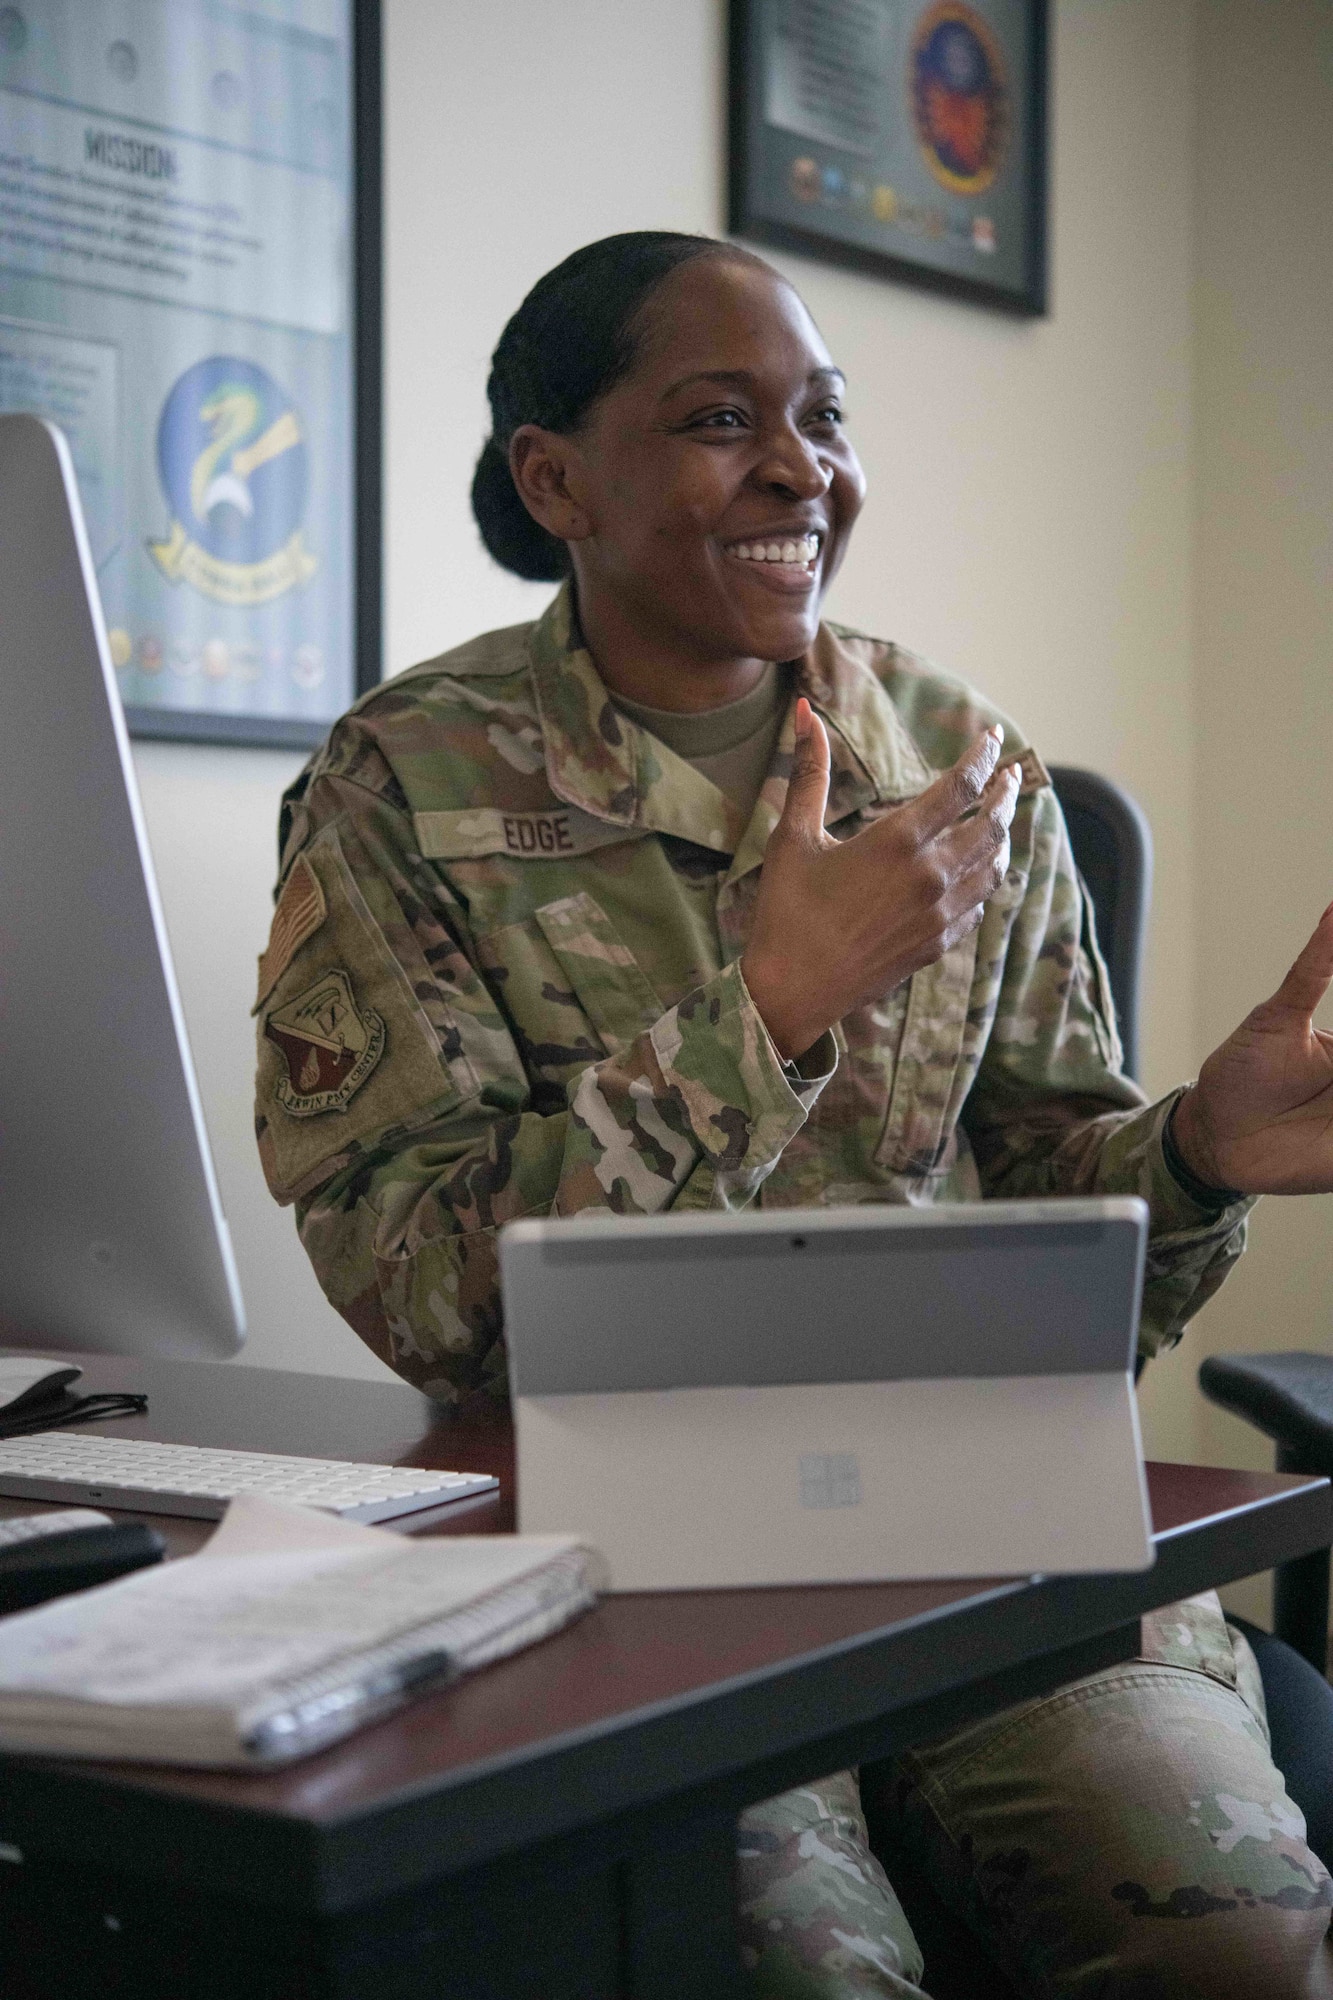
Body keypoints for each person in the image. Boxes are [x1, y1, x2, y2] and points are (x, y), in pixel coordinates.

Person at [255, 232, 1333, 1997]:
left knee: (1237, 1965)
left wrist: (1203, 1151)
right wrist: (760, 1014)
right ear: (556, 481)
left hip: (980, 1521)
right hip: (608, 1560)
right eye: (714, 417)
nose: (797, 468)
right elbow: (421, 1293)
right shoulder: (405, 781)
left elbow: (1073, 1244)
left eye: (822, 417)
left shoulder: (962, 761)